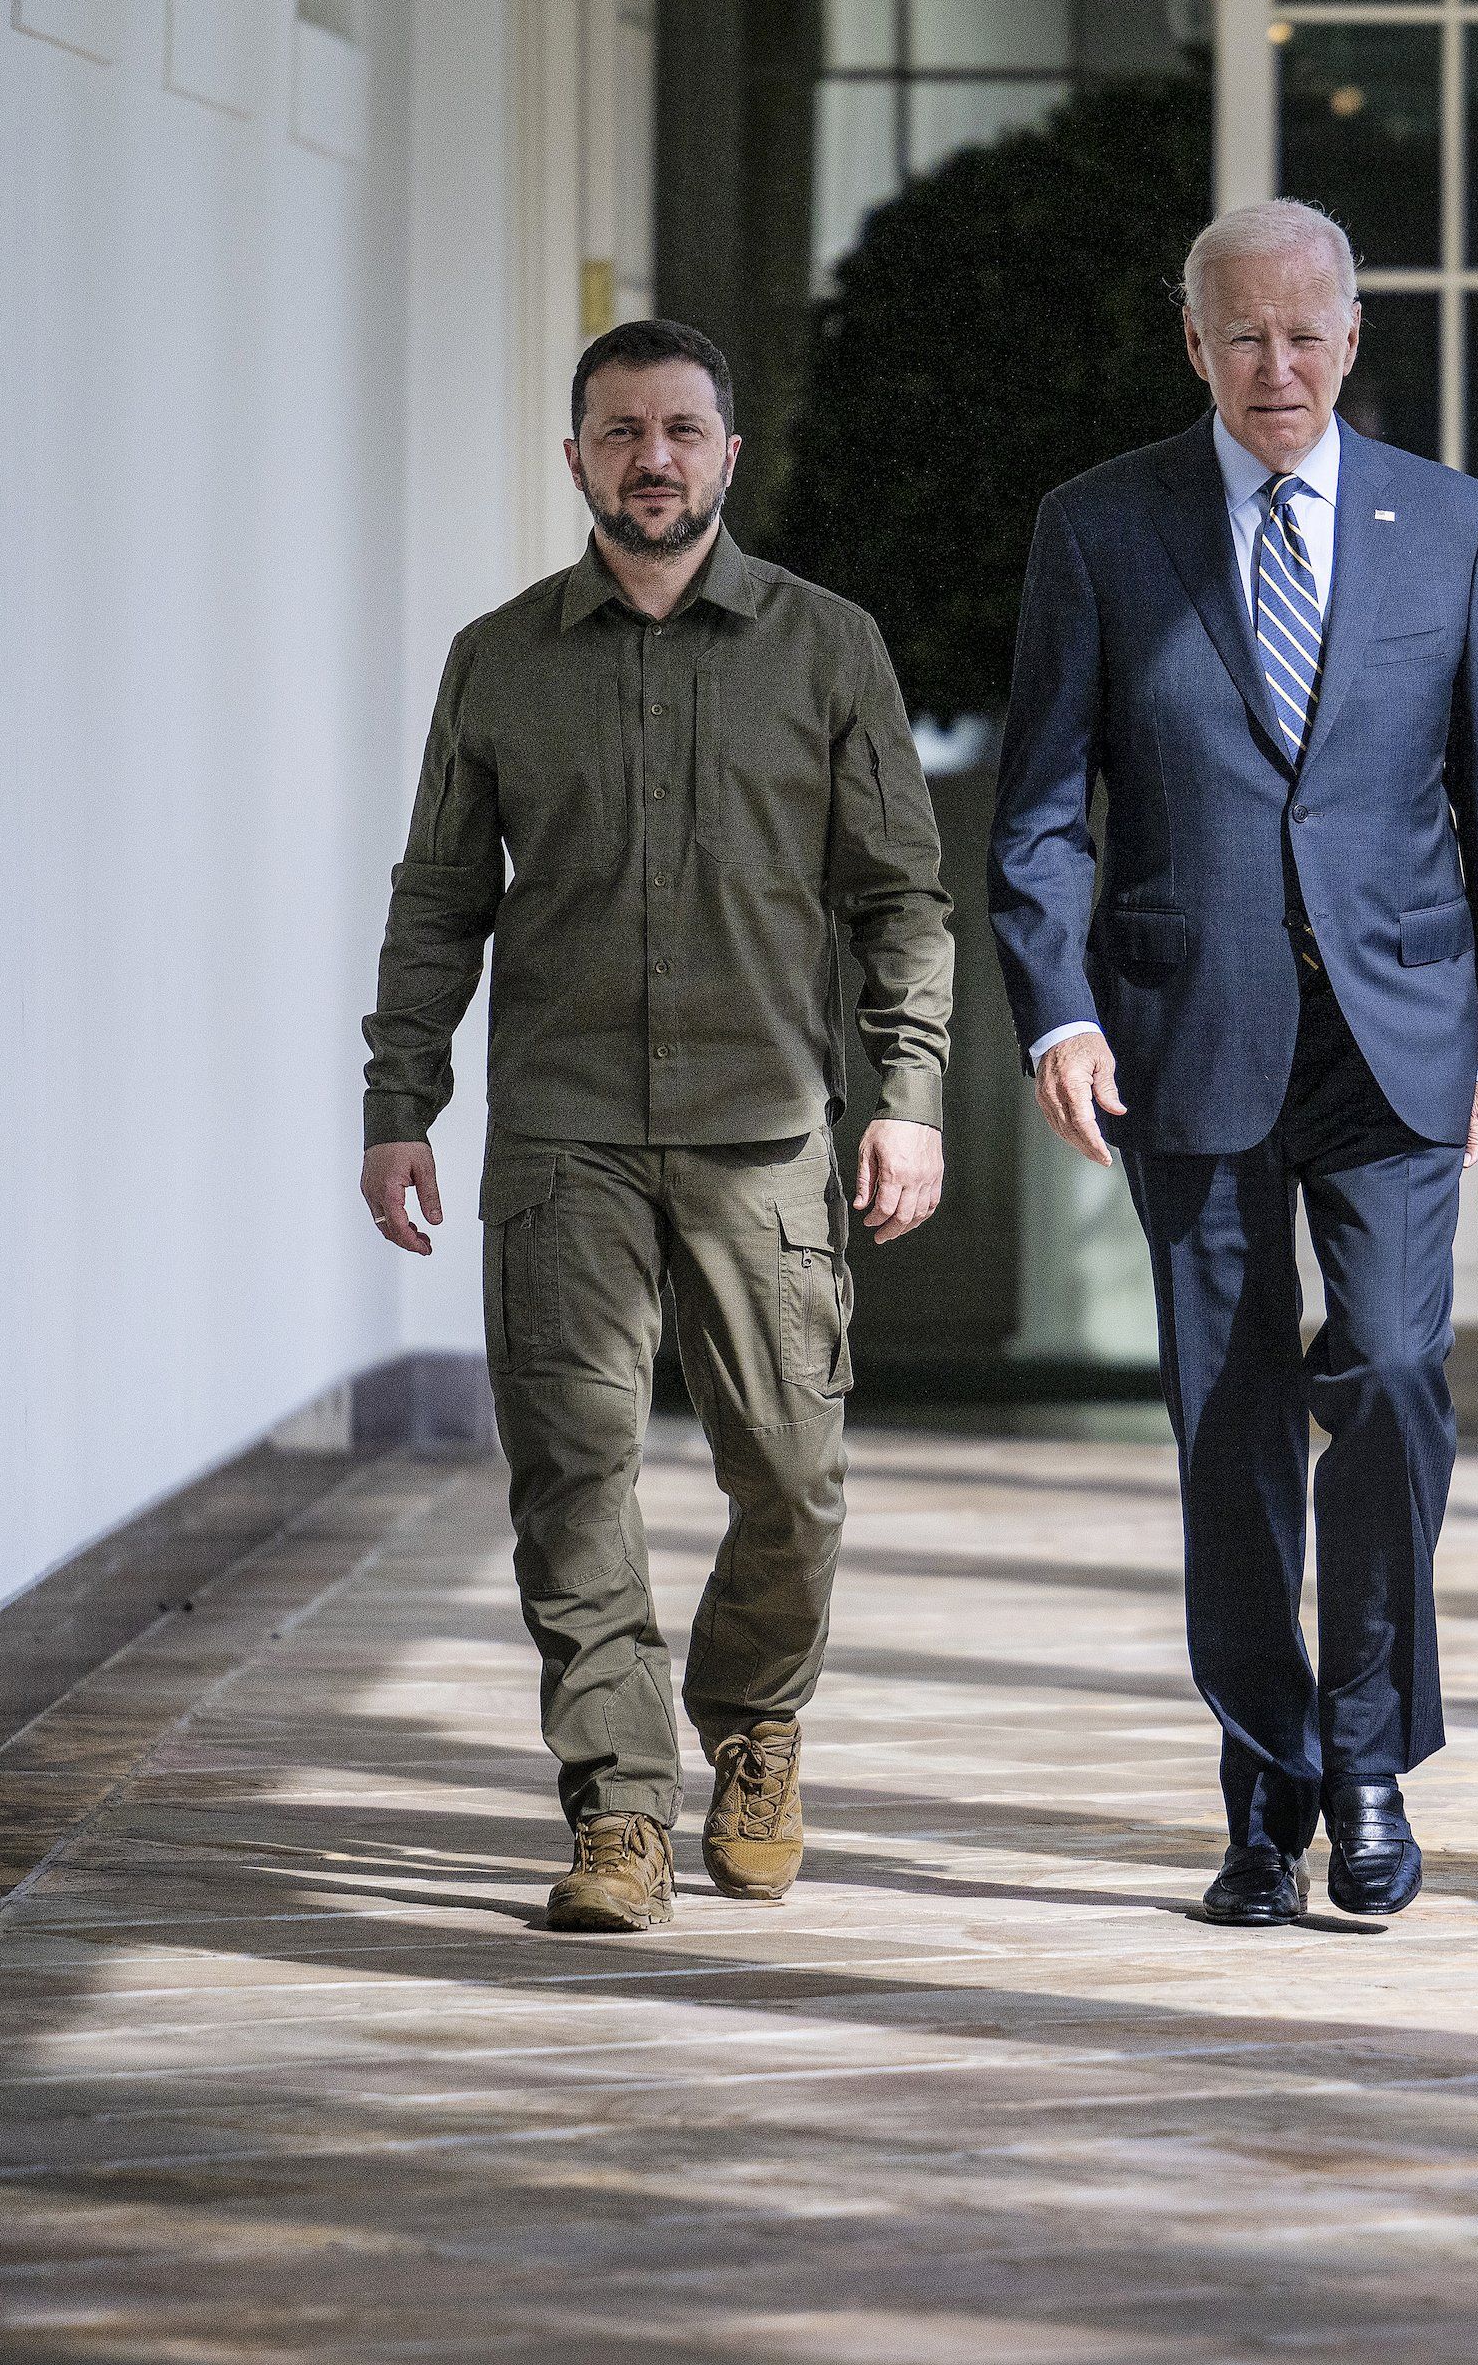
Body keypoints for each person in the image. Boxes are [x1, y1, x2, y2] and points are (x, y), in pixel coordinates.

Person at [990, 198, 1478, 1927]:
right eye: (1242, 334)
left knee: (1387, 1376)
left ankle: (1373, 1755)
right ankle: (1268, 1790)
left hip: (1399, 1041)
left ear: (1354, 337)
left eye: (1306, 332)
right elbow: (1037, 816)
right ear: (1193, 344)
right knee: (1227, 1425)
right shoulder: (1101, 527)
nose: (1277, 365)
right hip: (1190, 1038)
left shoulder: (1449, 527)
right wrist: (1061, 1009)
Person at [360, 319, 953, 1934]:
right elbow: (437, 903)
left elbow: (902, 903)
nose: (652, 458)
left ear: (728, 455)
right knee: (575, 1471)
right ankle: (616, 1809)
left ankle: (754, 1721)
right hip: (563, 1136)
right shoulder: (500, 660)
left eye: (682, 428)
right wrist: (399, 1099)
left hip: (767, 1134)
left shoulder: (827, 649)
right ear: (575, 460)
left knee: (794, 1475)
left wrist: (905, 1100)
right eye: (619, 432)